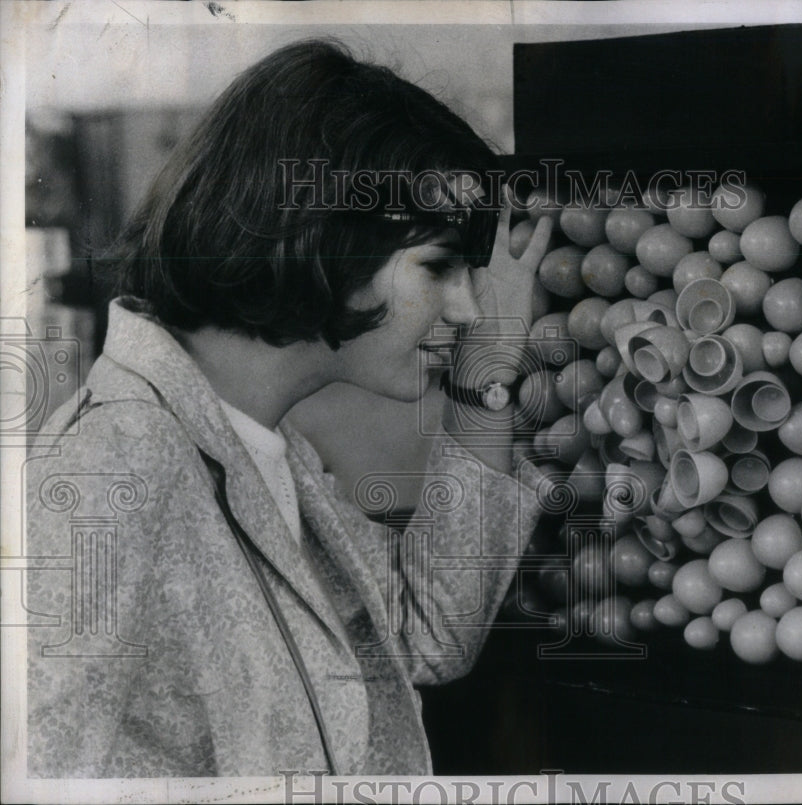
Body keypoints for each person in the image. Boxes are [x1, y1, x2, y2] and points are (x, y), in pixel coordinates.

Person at [25, 38, 552, 777]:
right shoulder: (115, 457)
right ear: (320, 239)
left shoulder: (255, 440)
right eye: (438, 266)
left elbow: (422, 634)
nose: (468, 308)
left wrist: (483, 376)